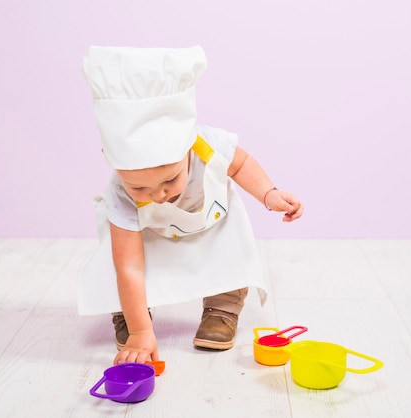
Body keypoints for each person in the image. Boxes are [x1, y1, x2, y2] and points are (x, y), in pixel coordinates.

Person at [79, 45, 303, 366]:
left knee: (229, 250)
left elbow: (240, 165)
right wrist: (142, 332)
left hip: (209, 224)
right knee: (120, 268)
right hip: (149, 237)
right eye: (139, 187)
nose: (158, 195)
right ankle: (133, 316)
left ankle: (222, 307)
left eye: (169, 180)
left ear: (187, 148)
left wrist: (269, 194)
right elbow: (130, 267)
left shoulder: (208, 144)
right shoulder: (120, 192)